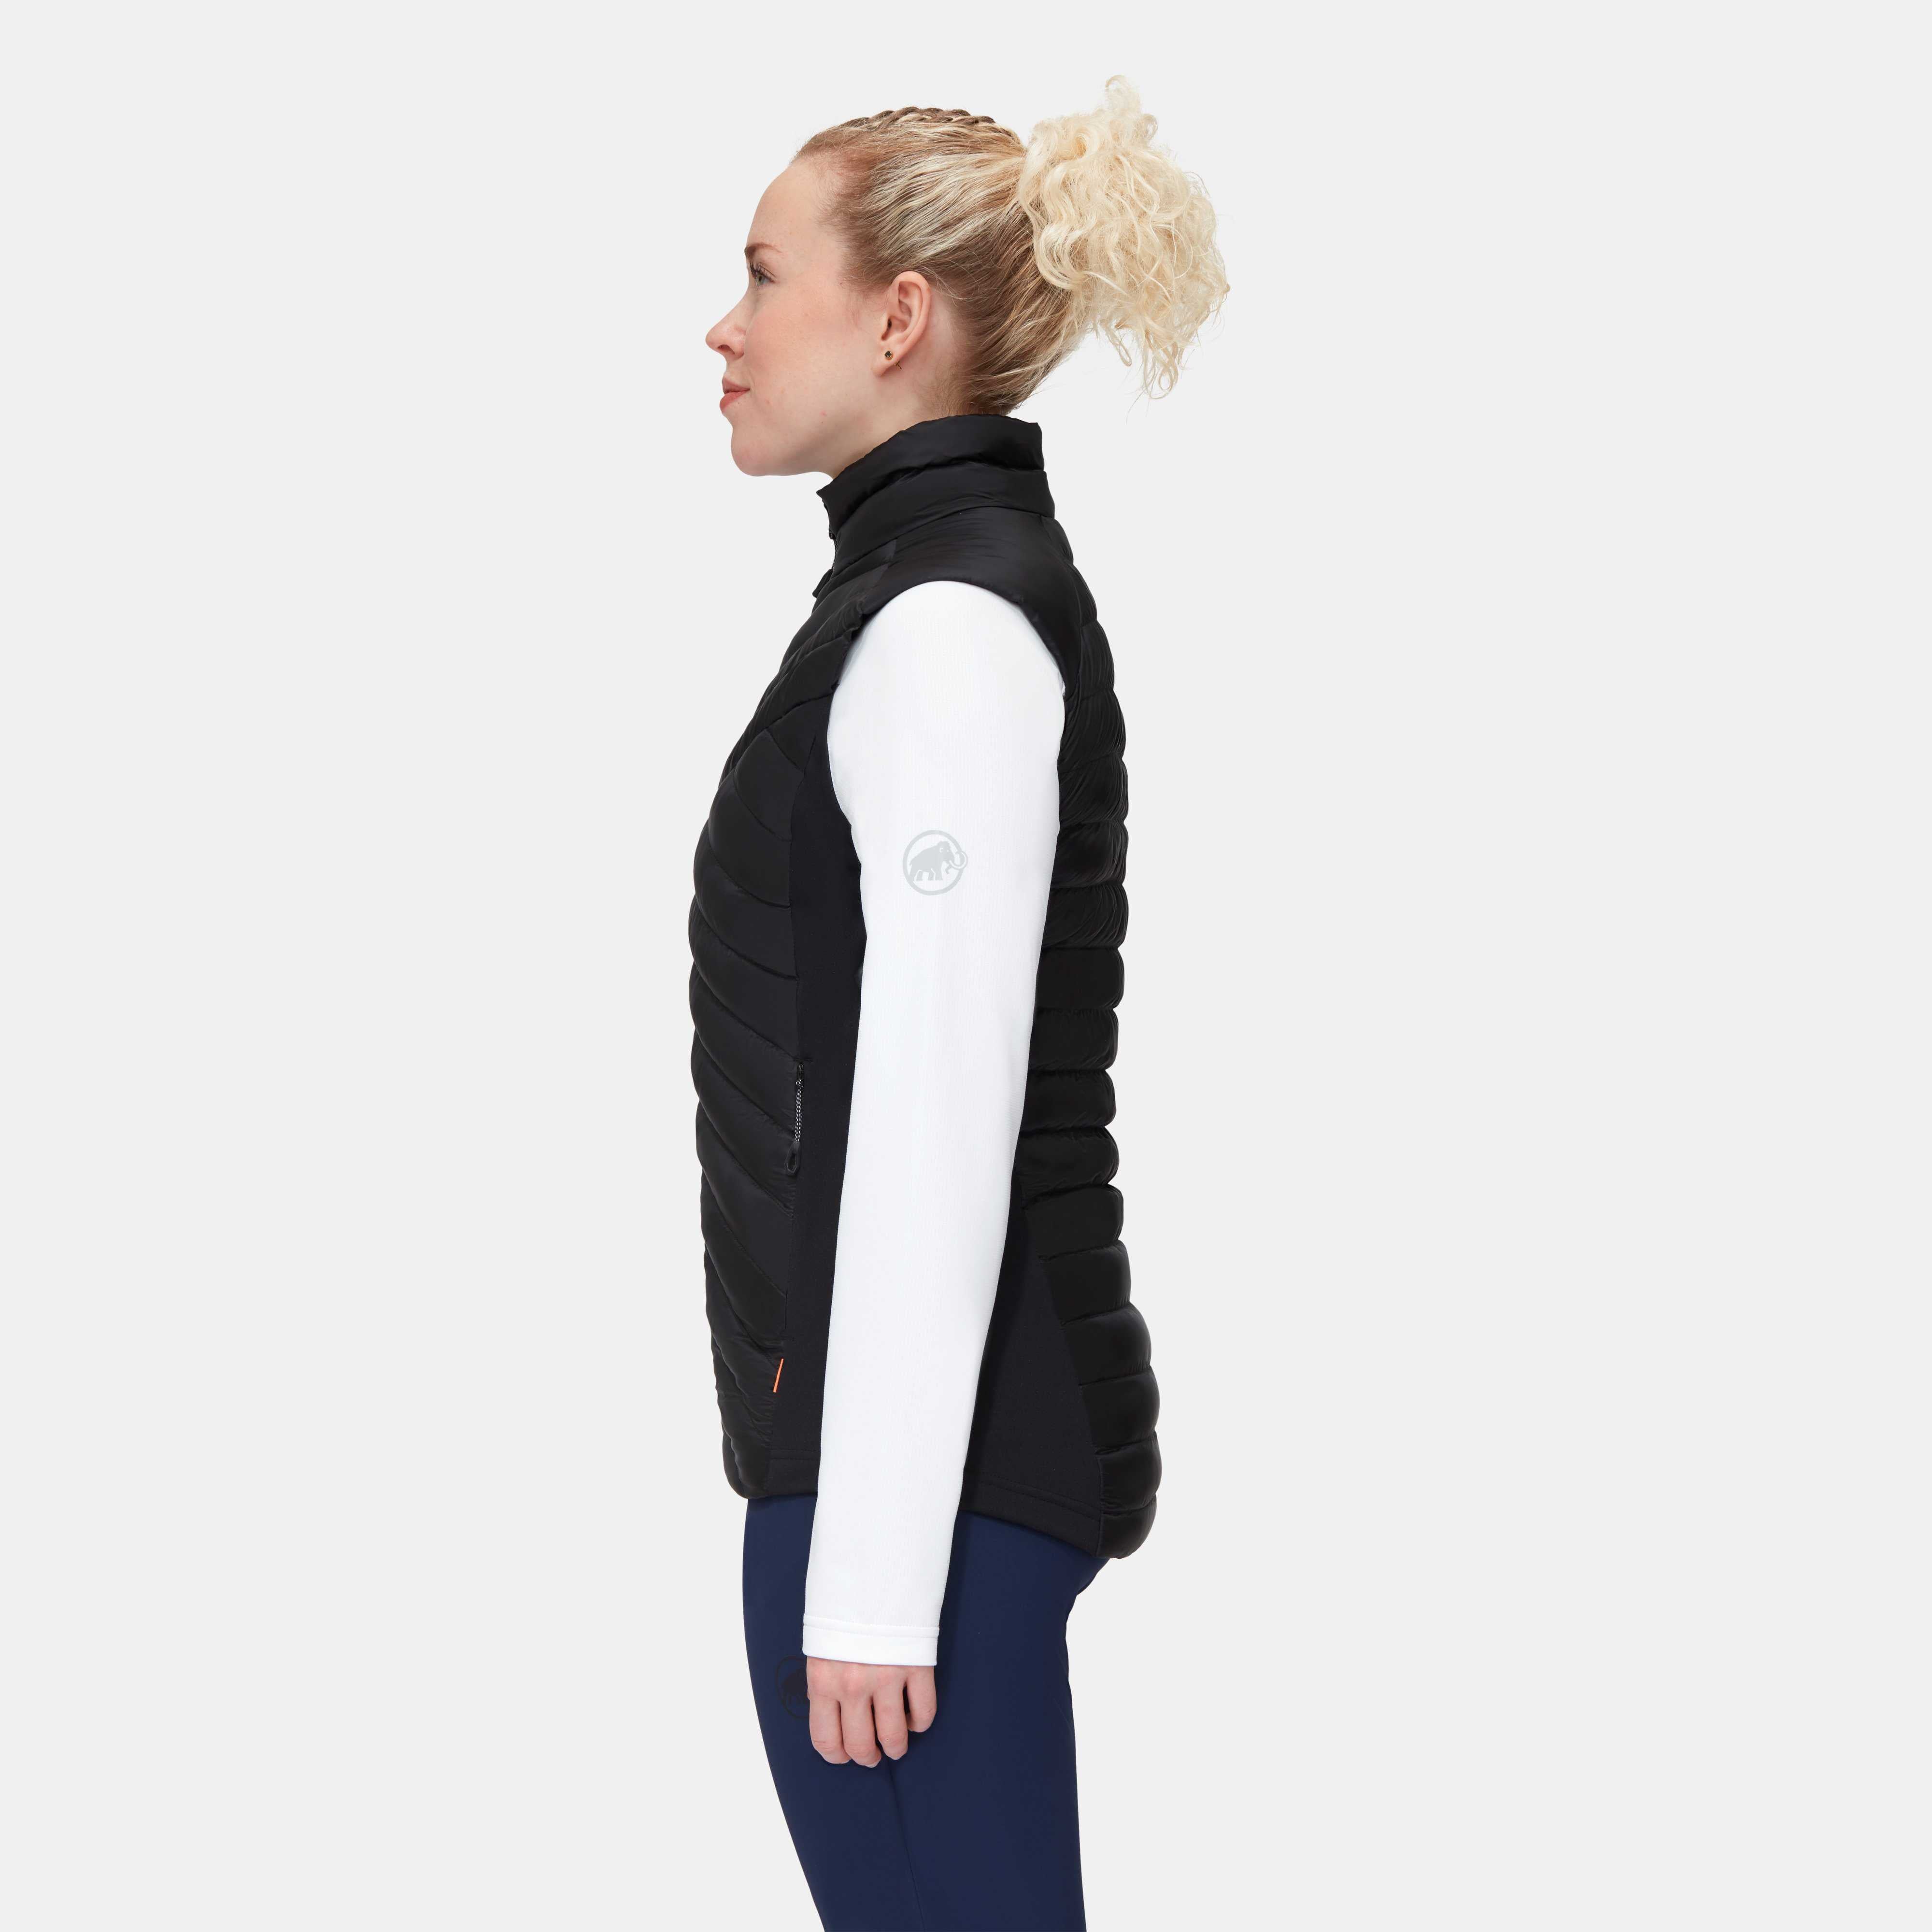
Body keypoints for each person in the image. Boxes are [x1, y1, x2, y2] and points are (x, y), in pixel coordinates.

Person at [691, 75, 1227, 1930]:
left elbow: (939, 1115)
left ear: (897, 317)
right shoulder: (919, 601)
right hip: (905, 1476)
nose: (725, 327)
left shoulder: (946, 634)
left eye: (768, 274)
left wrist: (867, 1578)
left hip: (925, 1499)